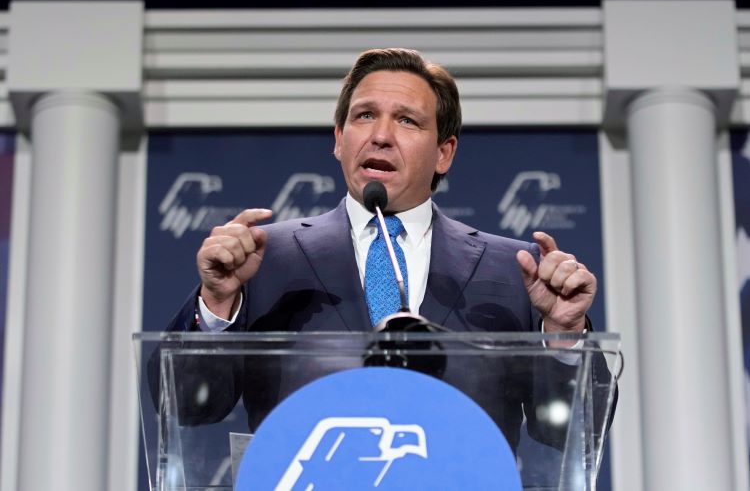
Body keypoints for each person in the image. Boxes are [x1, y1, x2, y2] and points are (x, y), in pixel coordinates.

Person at [161, 48, 608, 450]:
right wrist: (217, 302)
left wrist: (564, 334)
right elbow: (184, 405)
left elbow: (578, 432)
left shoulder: (514, 269)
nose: (380, 135)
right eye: (364, 116)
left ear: (444, 153)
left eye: (407, 120)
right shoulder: (265, 257)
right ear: (339, 139)